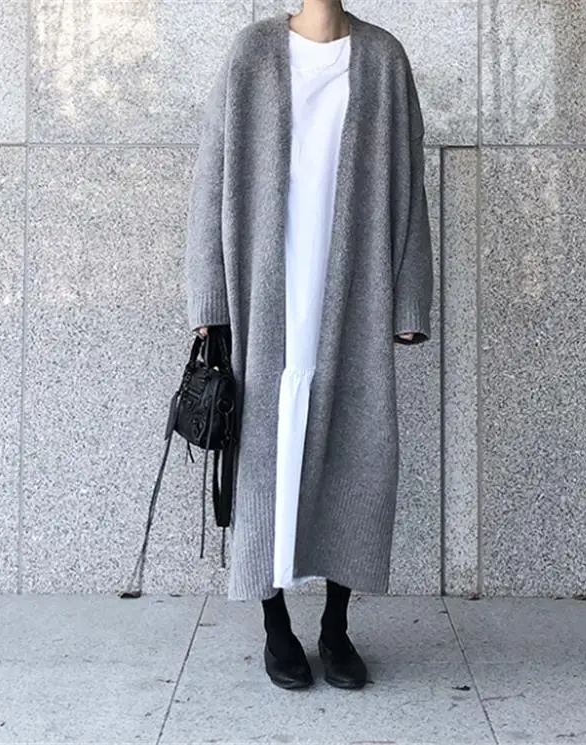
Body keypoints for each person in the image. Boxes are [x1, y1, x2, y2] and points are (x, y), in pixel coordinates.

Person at [185, 0, 433, 690]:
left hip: (353, 290)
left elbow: (409, 184)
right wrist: (209, 301)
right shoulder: (250, 54)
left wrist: (409, 299)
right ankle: (275, 626)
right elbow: (211, 180)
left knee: (356, 454)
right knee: (265, 458)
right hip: (267, 295)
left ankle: (335, 625)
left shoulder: (384, 59)